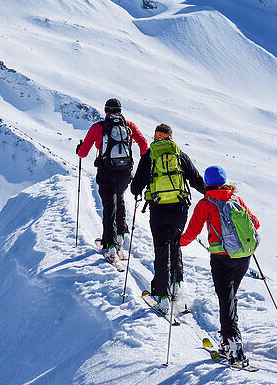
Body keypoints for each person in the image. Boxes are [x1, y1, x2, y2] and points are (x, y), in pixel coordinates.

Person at [180, 166, 260, 367]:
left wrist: (178, 242)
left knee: (225, 299)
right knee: (230, 297)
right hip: (243, 257)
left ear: (207, 183)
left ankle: (232, 343)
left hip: (222, 258)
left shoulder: (206, 204)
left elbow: (192, 231)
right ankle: (229, 337)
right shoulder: (236, 200)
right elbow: (255, 223)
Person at [129, 123, 205, 313]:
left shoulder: (149, 156)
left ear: (156, 136)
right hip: (179, 209)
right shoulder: (179, 154)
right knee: (176, 244)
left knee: (161, 249)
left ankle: (162, 295)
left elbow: (136, 185)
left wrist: (138, 191)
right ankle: (177, 286)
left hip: (158, 209)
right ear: (171, 136)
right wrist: (211, 193)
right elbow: (196, 179)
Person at [76, 98, 148, 260]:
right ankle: (120, 235)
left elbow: (83, 153)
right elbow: (144, 146)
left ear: (106, 111)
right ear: (120, 111)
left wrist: (79, 148)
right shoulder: (129, 126)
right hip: (125, 171)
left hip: (106, 171)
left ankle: (109, 245)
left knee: (109, 206)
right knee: (120, 198)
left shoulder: (98, 127)